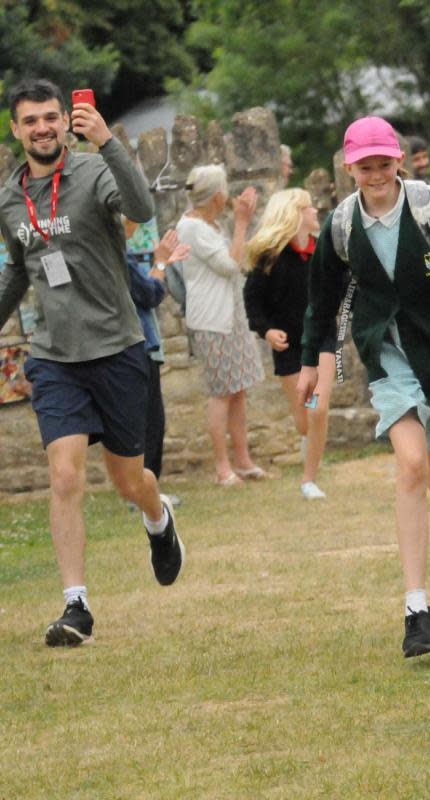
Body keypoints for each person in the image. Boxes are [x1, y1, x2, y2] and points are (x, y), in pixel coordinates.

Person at [0, 78, 184, 646]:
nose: (43, 128)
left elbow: (140, 206)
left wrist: (107, 141)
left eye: (51, 117)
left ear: (65, 120)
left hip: (117, 348)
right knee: (63, 475)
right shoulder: (9, 198)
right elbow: (18, 270)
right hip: (55, 357)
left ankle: (159, 518)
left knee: (129, 482)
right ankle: (75, 607)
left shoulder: (92, 170)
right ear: (16, 129)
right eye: (31, 120)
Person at [298, 116, 430, 658]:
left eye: (385, 163)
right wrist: (317, 360)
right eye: (366, 166)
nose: (376, 173)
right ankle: (417, 609)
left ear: (399, 162)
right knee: (410, 466)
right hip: (386, 354)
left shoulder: (429, 209)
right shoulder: (341, 226)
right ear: (349, 168)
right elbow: (324, 297)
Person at [175, 165, 268, 486]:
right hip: (212, 320)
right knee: (221, 393)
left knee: (238, 389)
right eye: (225, 190)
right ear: (217, 196)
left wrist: (237, 224)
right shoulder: (192, 228)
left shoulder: (209, 224)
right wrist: (241, 222)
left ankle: (242, 461)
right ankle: (222, 468)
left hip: (231, 316)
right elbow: (230, 265)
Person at [244, 188, 334, 500]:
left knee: (317, 408)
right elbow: (252, 303)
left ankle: (309, 479)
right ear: (295, 214)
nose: (315, 212)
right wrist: (267, 331)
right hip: (288, 346)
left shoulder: (323, 250)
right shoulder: (269, 258)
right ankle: (310, 449)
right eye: (309, 207)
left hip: (321, 338)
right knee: (304, 419)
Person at [125, 221, 190, 494]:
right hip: (136, 347)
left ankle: (143, 489)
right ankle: (142, 491)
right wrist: (162, 264)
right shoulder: (117, 254)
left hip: (132, 347)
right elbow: (149, 293)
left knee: (144, 422)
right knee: (148, 424)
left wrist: (160, 264)